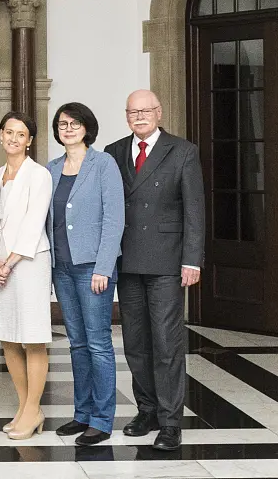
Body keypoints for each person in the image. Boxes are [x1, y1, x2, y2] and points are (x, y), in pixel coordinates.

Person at [104, 90, 205, 451]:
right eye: (133, 112)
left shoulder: (183, 150)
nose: (139, 116)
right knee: (135, 342)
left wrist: (192, 259)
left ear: (159, 112)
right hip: (127, 260)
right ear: (126, 115)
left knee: (166, 342)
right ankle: (145, 409)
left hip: (166, 261)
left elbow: (194, 208)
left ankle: (170, 421)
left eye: (146, 110)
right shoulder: (114, 152)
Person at [46, 103, 124, 447]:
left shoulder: (103, 163)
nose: (68, 128)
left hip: (93, 268)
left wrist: (104, 267)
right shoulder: (50, 169)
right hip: (61, 268)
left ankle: (102, 419)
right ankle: (82, 413)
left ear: (87, 127)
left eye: (75, 123)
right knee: (76, 343)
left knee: (98, 344)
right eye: (62, 124)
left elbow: (114, 219)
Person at [0, 111, 53, 440]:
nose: (13, 138)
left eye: (20, 134)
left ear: (30, 141)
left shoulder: (39, 175)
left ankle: (33, 408)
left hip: (28, 263)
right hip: (0, 266)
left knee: (33, 336)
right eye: (8, 132)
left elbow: (33, 223)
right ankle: (27, 408)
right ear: (0, 136)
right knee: (8, 336)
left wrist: (8, 263)